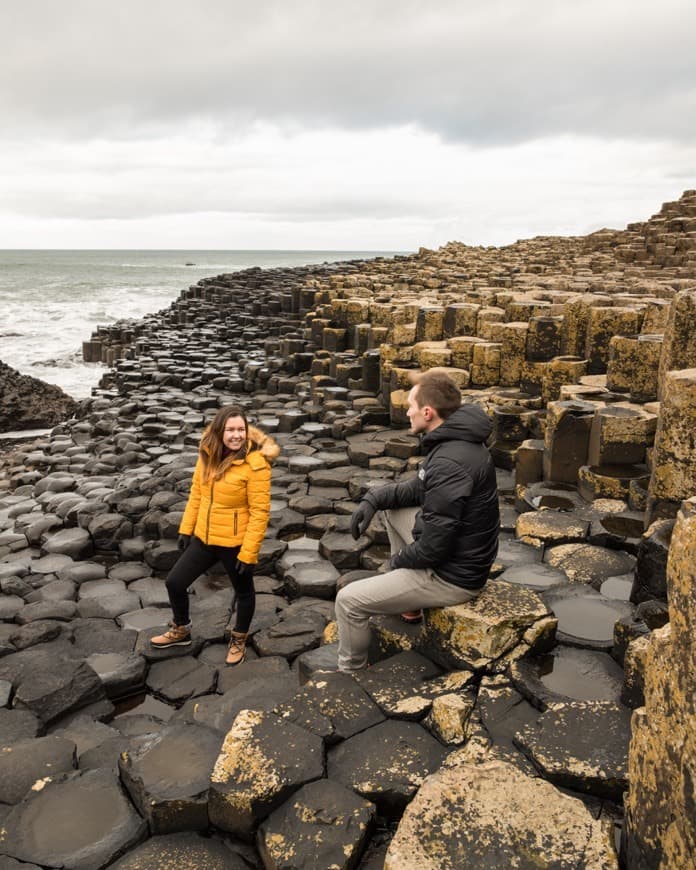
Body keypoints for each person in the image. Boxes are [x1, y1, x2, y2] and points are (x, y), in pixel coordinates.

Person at [336, 369, 500, 673]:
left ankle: (351, 672)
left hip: (452, 577)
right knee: (392, 509)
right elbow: (418, 488)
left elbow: (433, 549)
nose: (407, 410)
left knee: (348, 602)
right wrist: (373, 499)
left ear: (428, 412)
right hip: (459, 555)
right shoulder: (455, 440)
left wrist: (395, 565)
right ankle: (410, 608)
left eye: (411, 405)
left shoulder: (451, 461)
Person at [151, 405, 279, 665]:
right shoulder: (207, 455)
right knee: (174, 582)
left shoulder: (257, 465)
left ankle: (239, 638)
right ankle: (182, 629)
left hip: (235, 542)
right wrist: (187, 528)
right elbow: (197, 494)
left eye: (240, 430)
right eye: (230, 430)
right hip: (205, 538)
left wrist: (249, 552)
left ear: (247, 431)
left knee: (244, 592)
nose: (236, 435)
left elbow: (259, 513)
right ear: (220, 431)